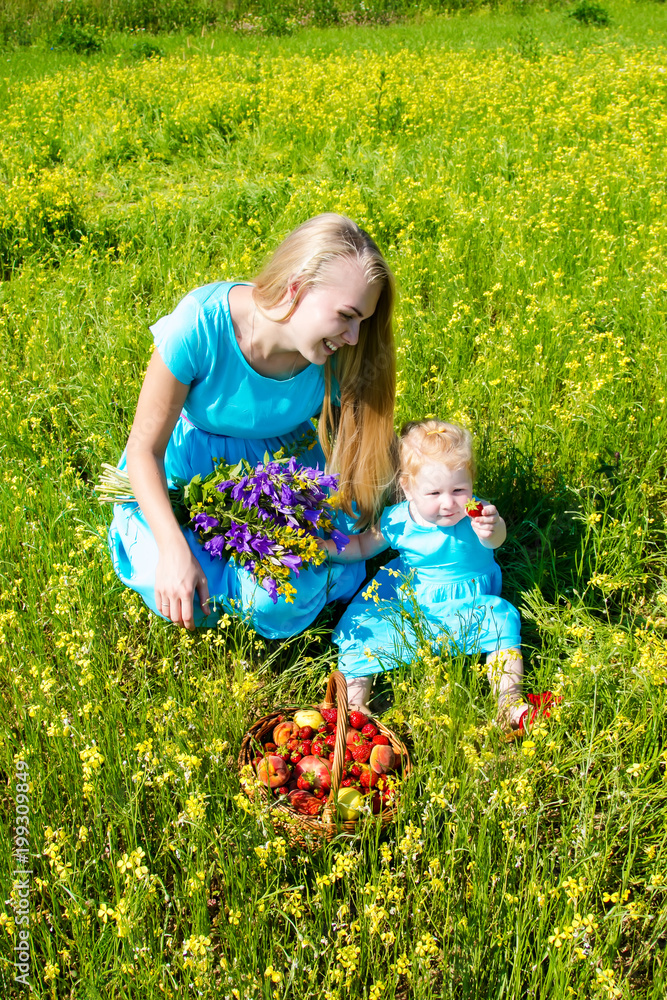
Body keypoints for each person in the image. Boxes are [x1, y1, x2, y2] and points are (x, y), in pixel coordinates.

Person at [107, 214, 396, 633]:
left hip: (281, 483)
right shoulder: (201, 324)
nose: (354, 336)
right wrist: (172, 548)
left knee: (275, 603)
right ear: (297, 289)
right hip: (185, 475)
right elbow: (143, 448)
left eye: (362, 321)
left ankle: (323, 577)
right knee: (179, 588)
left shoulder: (339, 354)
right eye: (346, 316)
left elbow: (363, 443)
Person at [322, 420, 530, 733]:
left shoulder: (476, 510)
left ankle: (509, 701)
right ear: (407, 488)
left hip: (468, 602)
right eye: (433, 492)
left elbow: (494, 538)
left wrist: (492, 526)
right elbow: (364, 544)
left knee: (501, 621)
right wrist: (326, 547)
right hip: (414, 599)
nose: (448, 503)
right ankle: (354, 706)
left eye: (459, 489)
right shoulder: (399, 518)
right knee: (365, 630)